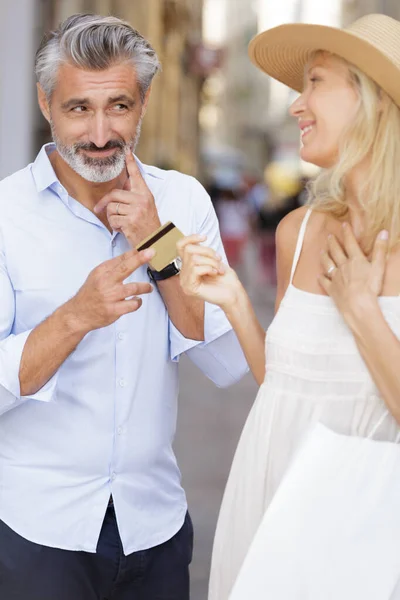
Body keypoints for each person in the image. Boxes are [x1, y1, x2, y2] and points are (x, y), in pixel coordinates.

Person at [0, 13, 248, 600]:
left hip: (155, 527)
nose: (100, 133)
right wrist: (74, 317)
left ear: (143, 103)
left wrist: (157, 241)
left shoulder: (181, 201)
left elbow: (224, 357)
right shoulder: (6, 215)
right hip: (37, 531)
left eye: (119, 106)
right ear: (45, 103)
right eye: (78, 108)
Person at [178, 13, 400, 599]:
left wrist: (363, 313)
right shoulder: (296, 232)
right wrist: (233, 300)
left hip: (363, 526)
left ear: (373, 99)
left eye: (317, 82)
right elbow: (284, 383)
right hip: (267, 498)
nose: (297, 105)